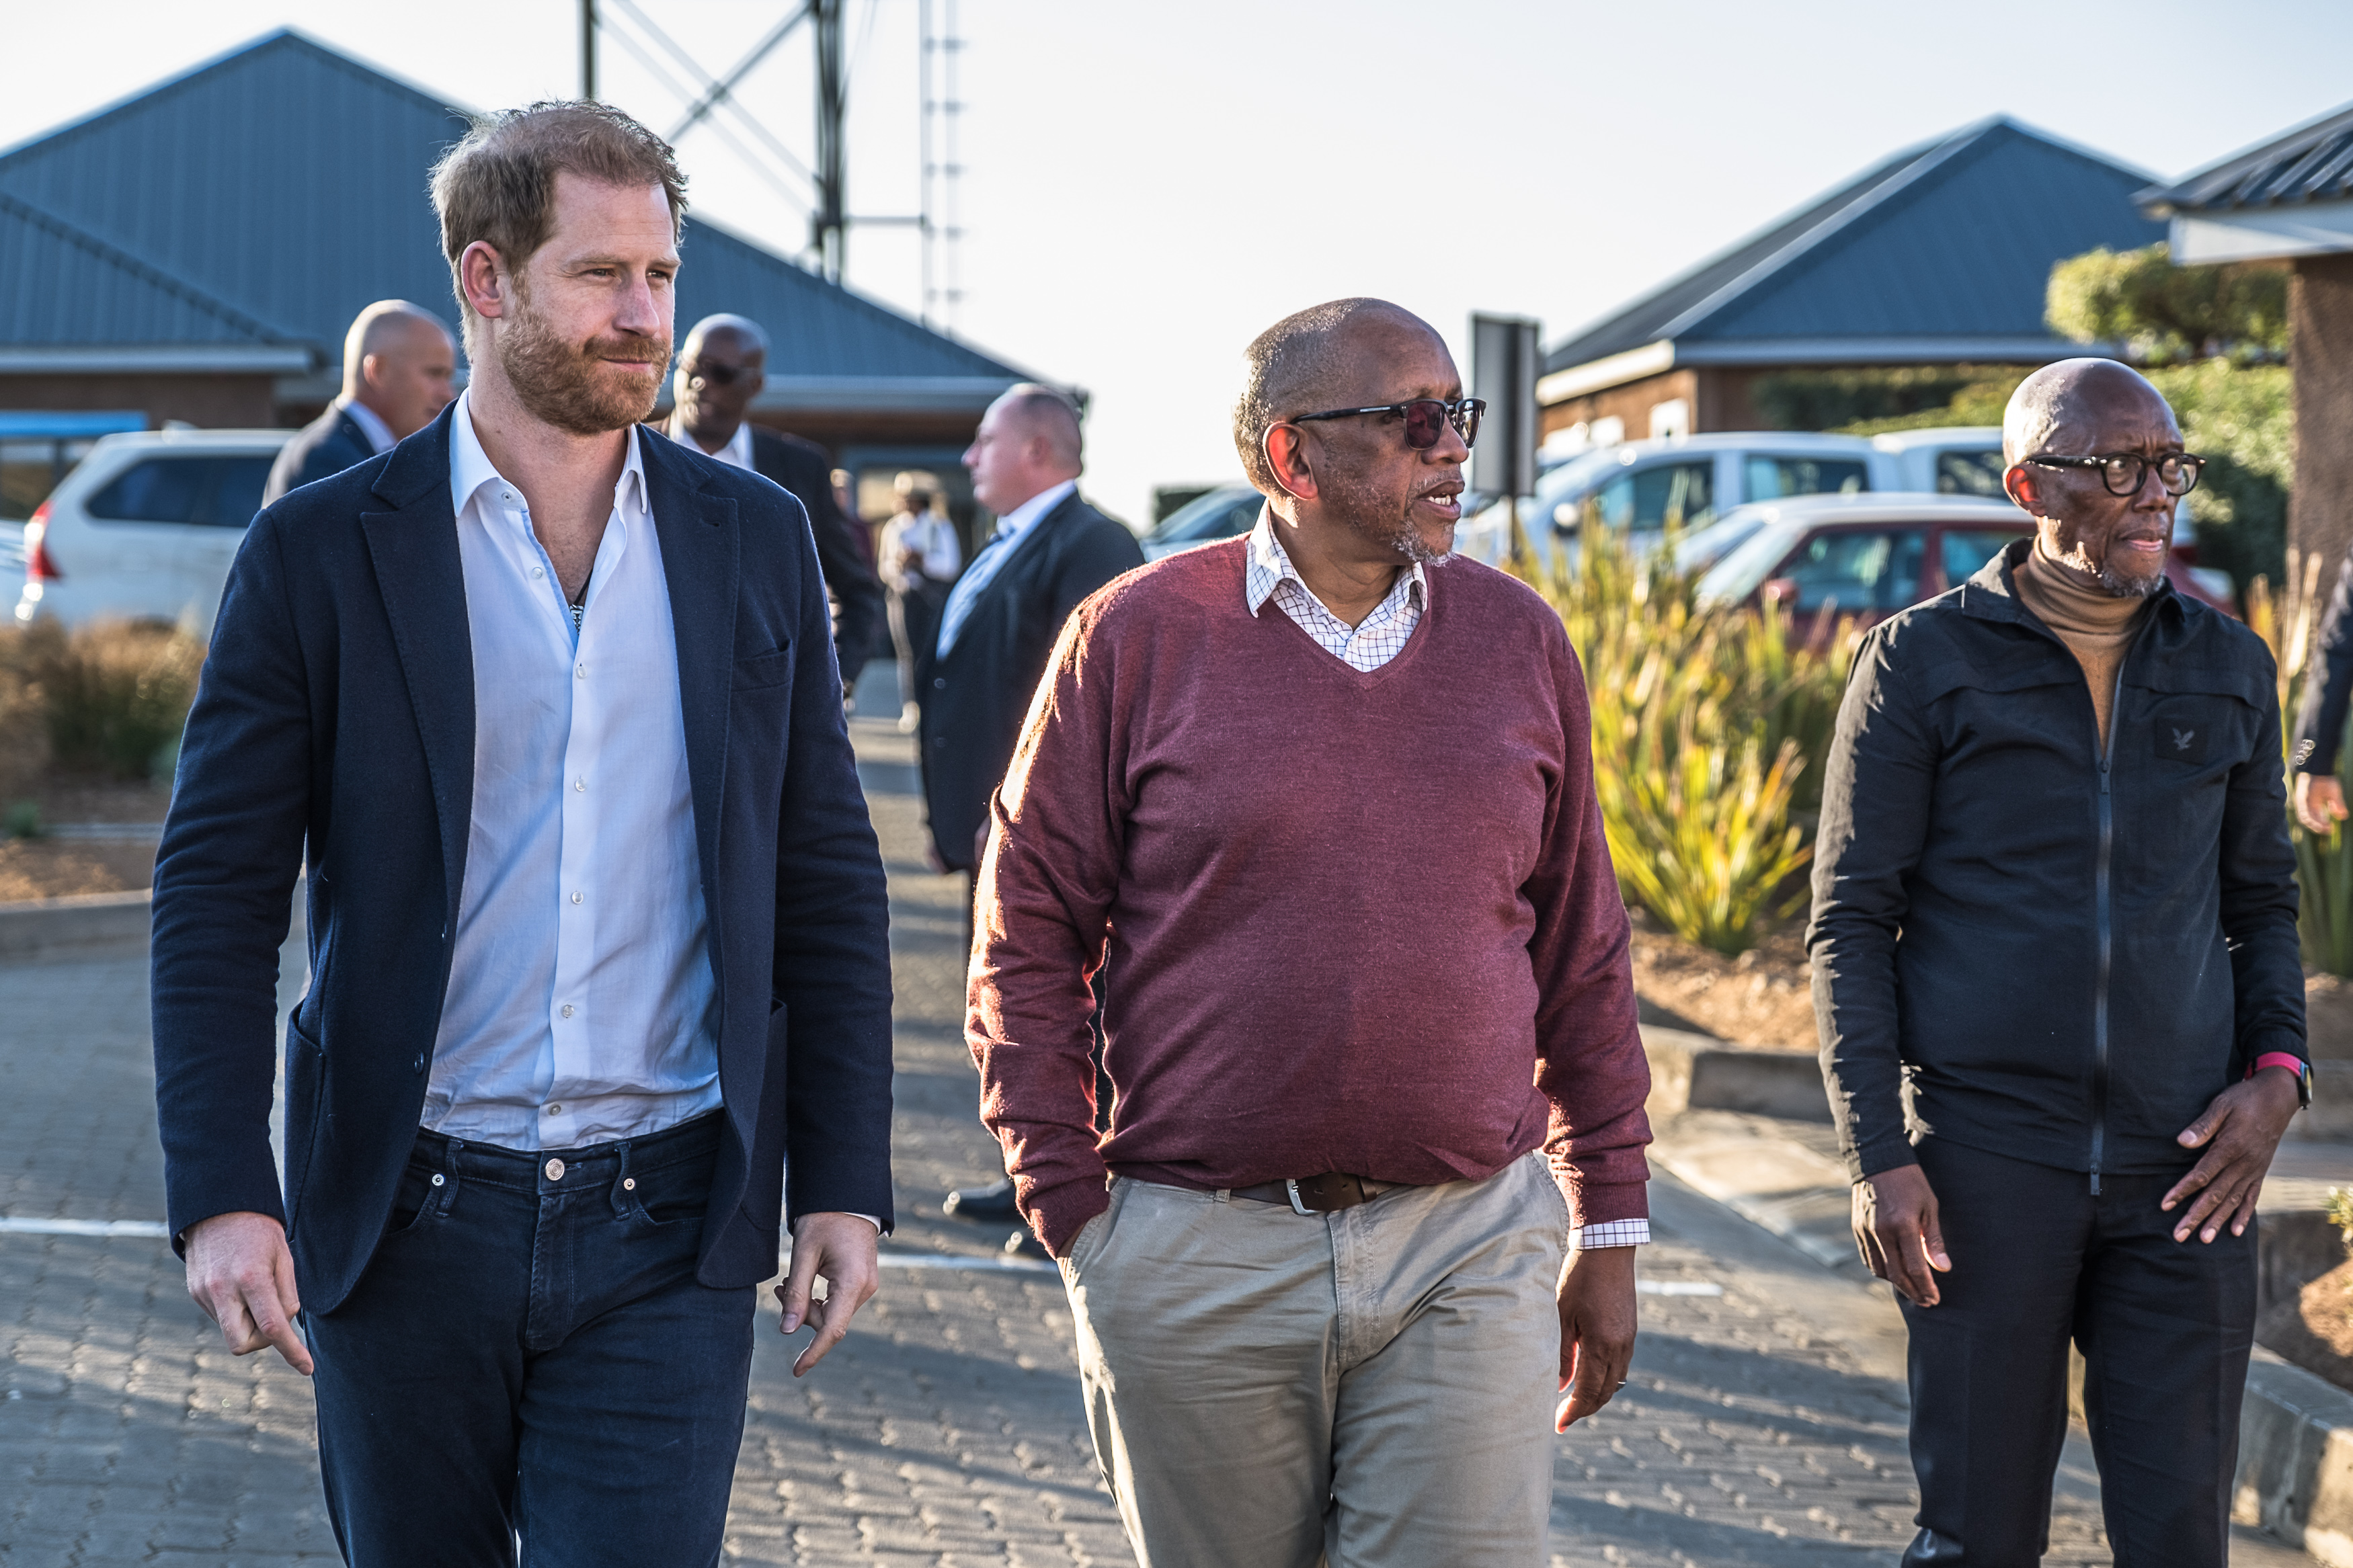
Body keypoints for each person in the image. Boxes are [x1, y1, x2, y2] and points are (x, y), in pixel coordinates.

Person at [149, 102, 894, 1566]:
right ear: (485, 282)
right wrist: (225, 1192)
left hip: (669, 1218)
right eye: (600, 274)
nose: (645, 317)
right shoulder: (324, 546)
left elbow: (823, 868)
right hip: (404, 1211)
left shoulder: (751, 537)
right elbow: (217, 888)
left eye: (661, 274)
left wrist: (845, 1175)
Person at [969, 298, 1651, 1566]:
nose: (1454, 449)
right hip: (1194, 1250)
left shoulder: (1519, 642)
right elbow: (1026, 930)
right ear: (1292, 457)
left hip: (1467, 1240)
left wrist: (1606, 1220)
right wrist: (1072, 1207)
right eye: (1415, 422)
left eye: (1463, 416)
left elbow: (1580, 950)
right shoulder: (1131, 636)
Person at [1810, 358, 2307, 1565]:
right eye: (2122, 466)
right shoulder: (1922, 661)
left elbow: (2263, 902)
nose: (2157, 493)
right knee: (1976, 1534)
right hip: (1986, 1168)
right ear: (2031, 483)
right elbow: (1850, 919)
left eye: (2171, 465)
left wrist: (2281, 1073)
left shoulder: (2230, 663)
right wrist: (1878, 1153)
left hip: (2188, 1177)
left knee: (2181, 1536)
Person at [925, 384, 1142, 1227]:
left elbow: (1085, 693)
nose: (970, 457)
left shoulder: (1091, 543)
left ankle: (1076, 1189)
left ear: (1038, 452)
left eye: (986, 440)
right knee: (1005, 999)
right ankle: (1027, 1172)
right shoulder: (1006, 540)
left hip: (1043, 830)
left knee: (1064, 1000)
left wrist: (1028, 804)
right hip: (991, 826)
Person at [664, 311, 887, 692]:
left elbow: (857, 591)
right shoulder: (630, 453)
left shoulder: (800, 469)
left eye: (721, 373)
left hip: (764, 707)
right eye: (689, 366)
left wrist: (836, 679)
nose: (699, 383)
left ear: (755, 385)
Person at [262, 301, 456, 503]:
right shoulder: (329, 463)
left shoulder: (345, 452)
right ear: (379, 371)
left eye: (448, 377)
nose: (448, 394)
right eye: (435, 374)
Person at [878, 472, 961, 732]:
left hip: (931, 598)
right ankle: (911, 706)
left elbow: (950, 566)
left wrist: (922, 561)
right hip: (903, 597)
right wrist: (900, 565)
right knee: (906, 652)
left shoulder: (939, 526)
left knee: (931, 649)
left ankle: (933, 703)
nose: (903, 503)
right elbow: (884, 568)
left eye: (909, 498)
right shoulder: (894, 527)